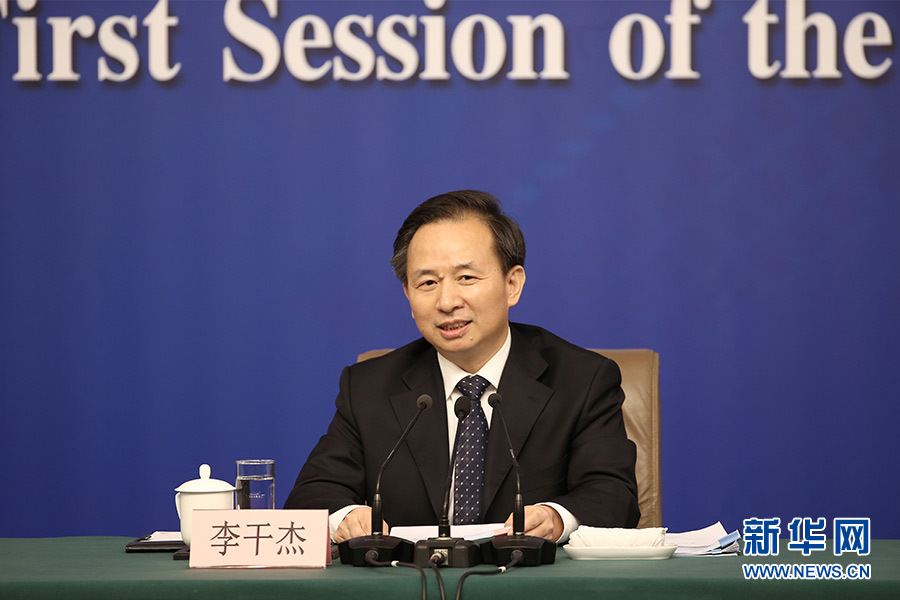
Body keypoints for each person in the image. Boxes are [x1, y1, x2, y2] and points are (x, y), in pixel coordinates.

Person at [285, 190, 639, 543]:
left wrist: (556, 517)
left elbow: (613, 496)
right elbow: (311, 498)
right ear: (408, 295)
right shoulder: (368, 387)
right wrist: (347, 517)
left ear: (512, 284)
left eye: (466, 277)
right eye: (427, 283)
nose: (447, 301)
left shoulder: (581, 379)